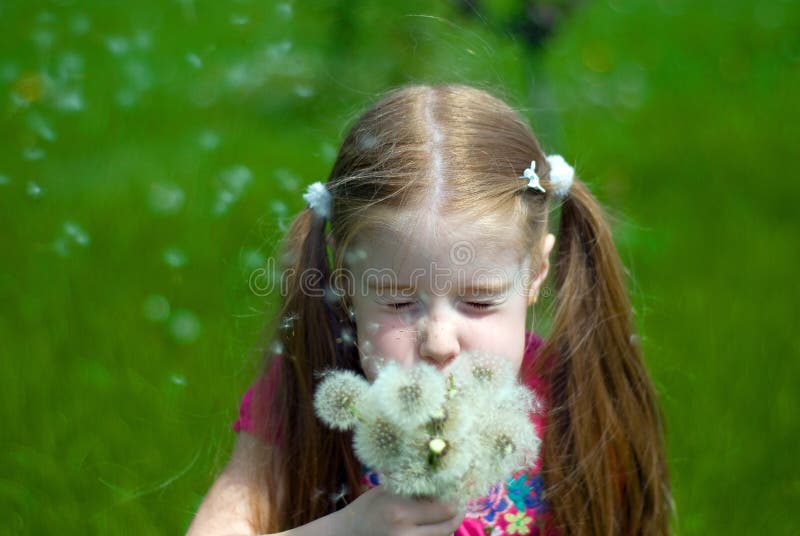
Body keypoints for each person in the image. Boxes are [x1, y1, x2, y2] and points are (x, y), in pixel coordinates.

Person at [187, 84, 673, 535]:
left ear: (536, 274)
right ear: (346, 283)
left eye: (479, 301)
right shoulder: (302, 387)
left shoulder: (575, 399)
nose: (439, 342)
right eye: (399, 301)